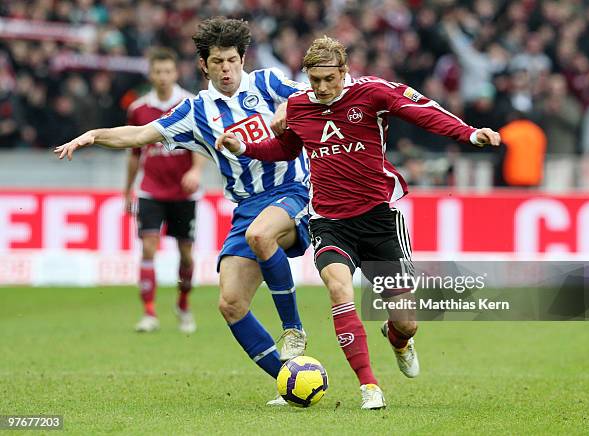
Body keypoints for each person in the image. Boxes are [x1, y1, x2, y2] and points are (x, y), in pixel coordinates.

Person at [216, 36, 500, 409]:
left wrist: (468, 133)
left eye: (328, 79)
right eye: (314, 80)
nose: (320, 88)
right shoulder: (300, 106)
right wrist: (246, 148)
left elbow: (424, 111)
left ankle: (398, 338)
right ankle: (369, 386)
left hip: (379, 218)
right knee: (339, 290)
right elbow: (286, 149)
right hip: (330, 220)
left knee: (406, 321)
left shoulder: (373, 92)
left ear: (344, 72)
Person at [54, 17, 309, 405]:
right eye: (218, 62)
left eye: (233, 61)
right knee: (230, 304)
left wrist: (289, 110)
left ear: (243, 60)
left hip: (291, 191)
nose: (227, 69)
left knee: (262, 235)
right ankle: (291, 381)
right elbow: (139, 135)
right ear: (204, 65)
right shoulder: (195, 110)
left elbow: (308, 97)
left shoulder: (268, 83)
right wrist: (94, 135)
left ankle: (293, 329)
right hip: (246, 206)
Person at [124, 47, 203, 334]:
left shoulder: (190, 104)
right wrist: (126, 190)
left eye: (167, 71)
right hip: (150, 190)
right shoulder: (138, 109)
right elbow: (134, 152)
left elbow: (200, 144)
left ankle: (183, 303)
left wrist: (195, 170)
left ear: (176, 73)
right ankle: (148, 312)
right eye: (157, 72)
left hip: (183, 193)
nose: (162, 77)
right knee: (147, 247)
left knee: (185, 254)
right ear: (151, 74)